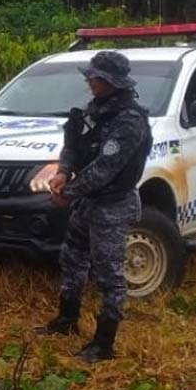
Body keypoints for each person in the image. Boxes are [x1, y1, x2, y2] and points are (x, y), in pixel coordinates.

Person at [31, 50, 152, 363]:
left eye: (95, 77)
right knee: (72, 258)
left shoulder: (129, 120)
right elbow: (73, 145)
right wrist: (63, 172)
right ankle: (67, 320)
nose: (89, 81)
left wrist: (67, 192)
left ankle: (103, 343)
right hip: (88, 202)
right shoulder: (95, 111)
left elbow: (106, 168)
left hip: (113, 205)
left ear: (111, 81)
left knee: (109, 275)